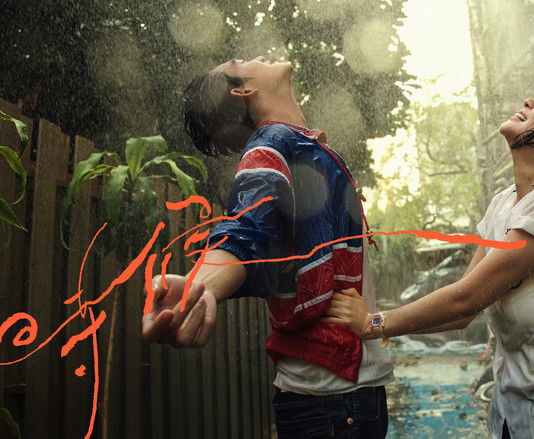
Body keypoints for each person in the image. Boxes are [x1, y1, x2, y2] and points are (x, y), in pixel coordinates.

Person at [323, 88, 534, 439]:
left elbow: (466, 298)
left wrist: (372, 323)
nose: (530, 101)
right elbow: (462, 312)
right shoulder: (503, 203)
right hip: (513, 423)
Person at [140, 55, 394, 439]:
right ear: (244, 90)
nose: (256, 56)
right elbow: (246, 229)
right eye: (240, 61)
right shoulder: (271, 146)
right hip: (332, 404)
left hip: (341, 395)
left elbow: (263, 248)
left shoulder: (297, 147)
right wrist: (199, 286)